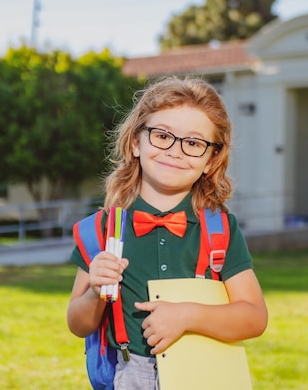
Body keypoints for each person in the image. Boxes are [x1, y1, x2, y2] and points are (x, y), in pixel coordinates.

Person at [66, 76, 268, 389]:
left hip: (203, 373)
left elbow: (254, 317)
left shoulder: (220, 230)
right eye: (162, 135)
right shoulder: (100, 230)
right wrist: (95, 291)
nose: (175, 151)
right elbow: (78, 324)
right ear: (136, 142)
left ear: (211, 159)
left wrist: (188, 316)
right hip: (131, 375)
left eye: (193, 143)